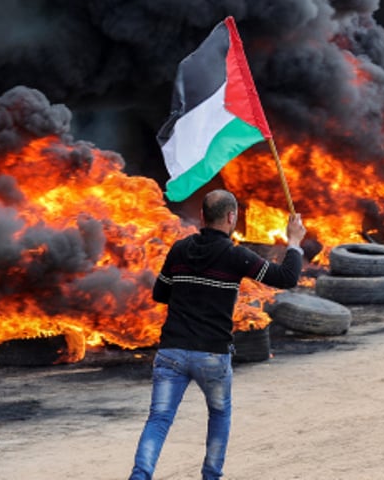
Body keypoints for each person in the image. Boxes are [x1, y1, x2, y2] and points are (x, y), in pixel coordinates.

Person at [128, 189, 307, 480]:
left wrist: (190, 289)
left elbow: (160, 293)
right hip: (212, 354)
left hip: (172, 351)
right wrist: (295, 242)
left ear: (202, 216)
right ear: (231, 217)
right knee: (219, 414)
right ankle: (211, 476)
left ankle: (140, 476)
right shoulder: (236, 256)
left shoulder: (179, 250)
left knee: (159, 419)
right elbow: (287, 277)